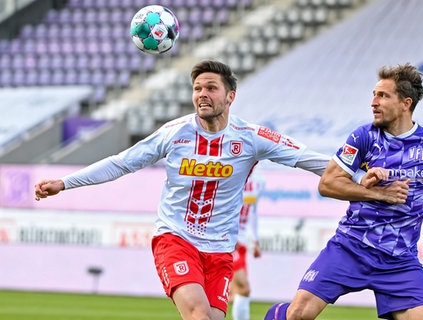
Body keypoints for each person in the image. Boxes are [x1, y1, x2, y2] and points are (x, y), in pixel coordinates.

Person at [34, 60, 332, 320]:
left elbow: (309, 158)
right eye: (197, 88)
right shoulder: (174, 133)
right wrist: (65, 182)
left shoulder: (251, 138)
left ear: (230, 96)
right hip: (175, 239)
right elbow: (121, 163)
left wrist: (360, 175)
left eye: (211, 88)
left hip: (220, 249)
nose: (202, 94)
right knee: (199, 316)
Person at [264, 63, 423, 320]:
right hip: (351, 246)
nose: (374, 102)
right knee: (298, 315)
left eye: (383, 96)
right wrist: (379, 193)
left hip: (399, 259)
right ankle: (277, 314)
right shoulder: (364, 136)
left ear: (406, 103)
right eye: (374, 94)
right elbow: (327, 183)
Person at [229, 168, 264, 320]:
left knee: (237, 291)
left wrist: (255, 239)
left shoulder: (258, 181)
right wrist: (228, 233)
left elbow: (253, 211)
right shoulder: (232, 173)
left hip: (242, 241)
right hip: (228, 239)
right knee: (243, 288)